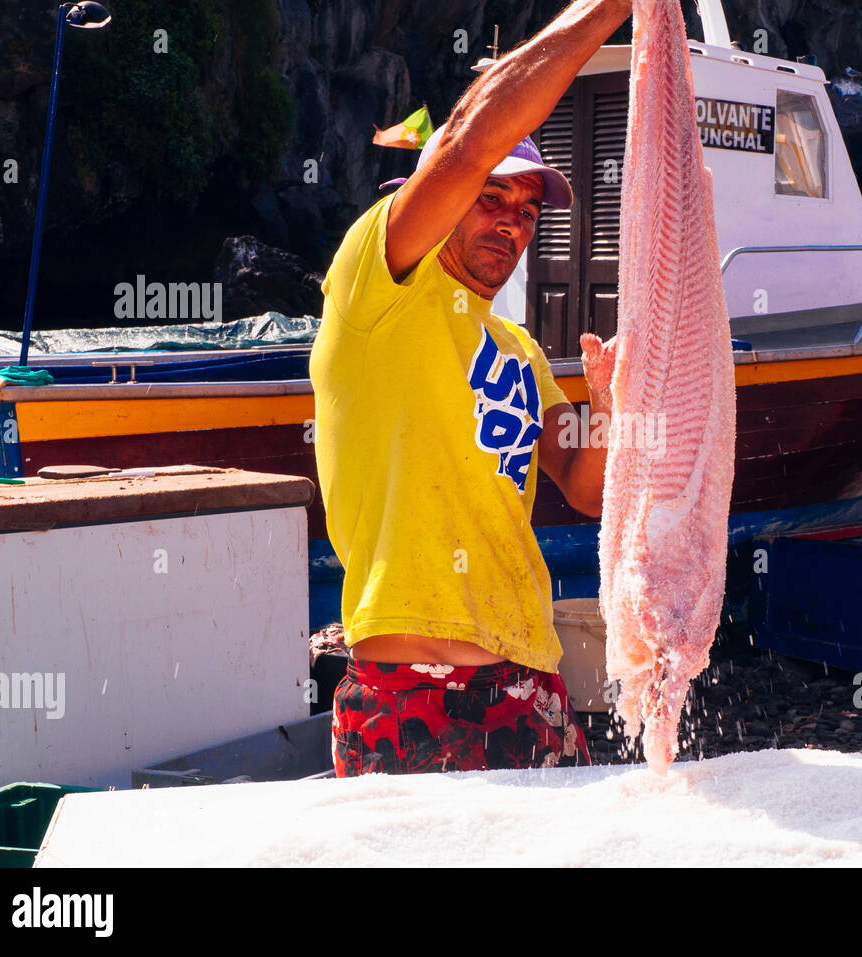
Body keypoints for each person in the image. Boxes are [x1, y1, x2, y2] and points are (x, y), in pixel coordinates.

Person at [310, 0, 632, 775]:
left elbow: (586, 487)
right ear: (443, 198)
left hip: (530, 680)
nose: (514, 224)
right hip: (413, 685)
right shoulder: (379, 283)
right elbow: (463, 143)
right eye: (492, 198)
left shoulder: (518, 347)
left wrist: (611, 408)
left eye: (528, 213)